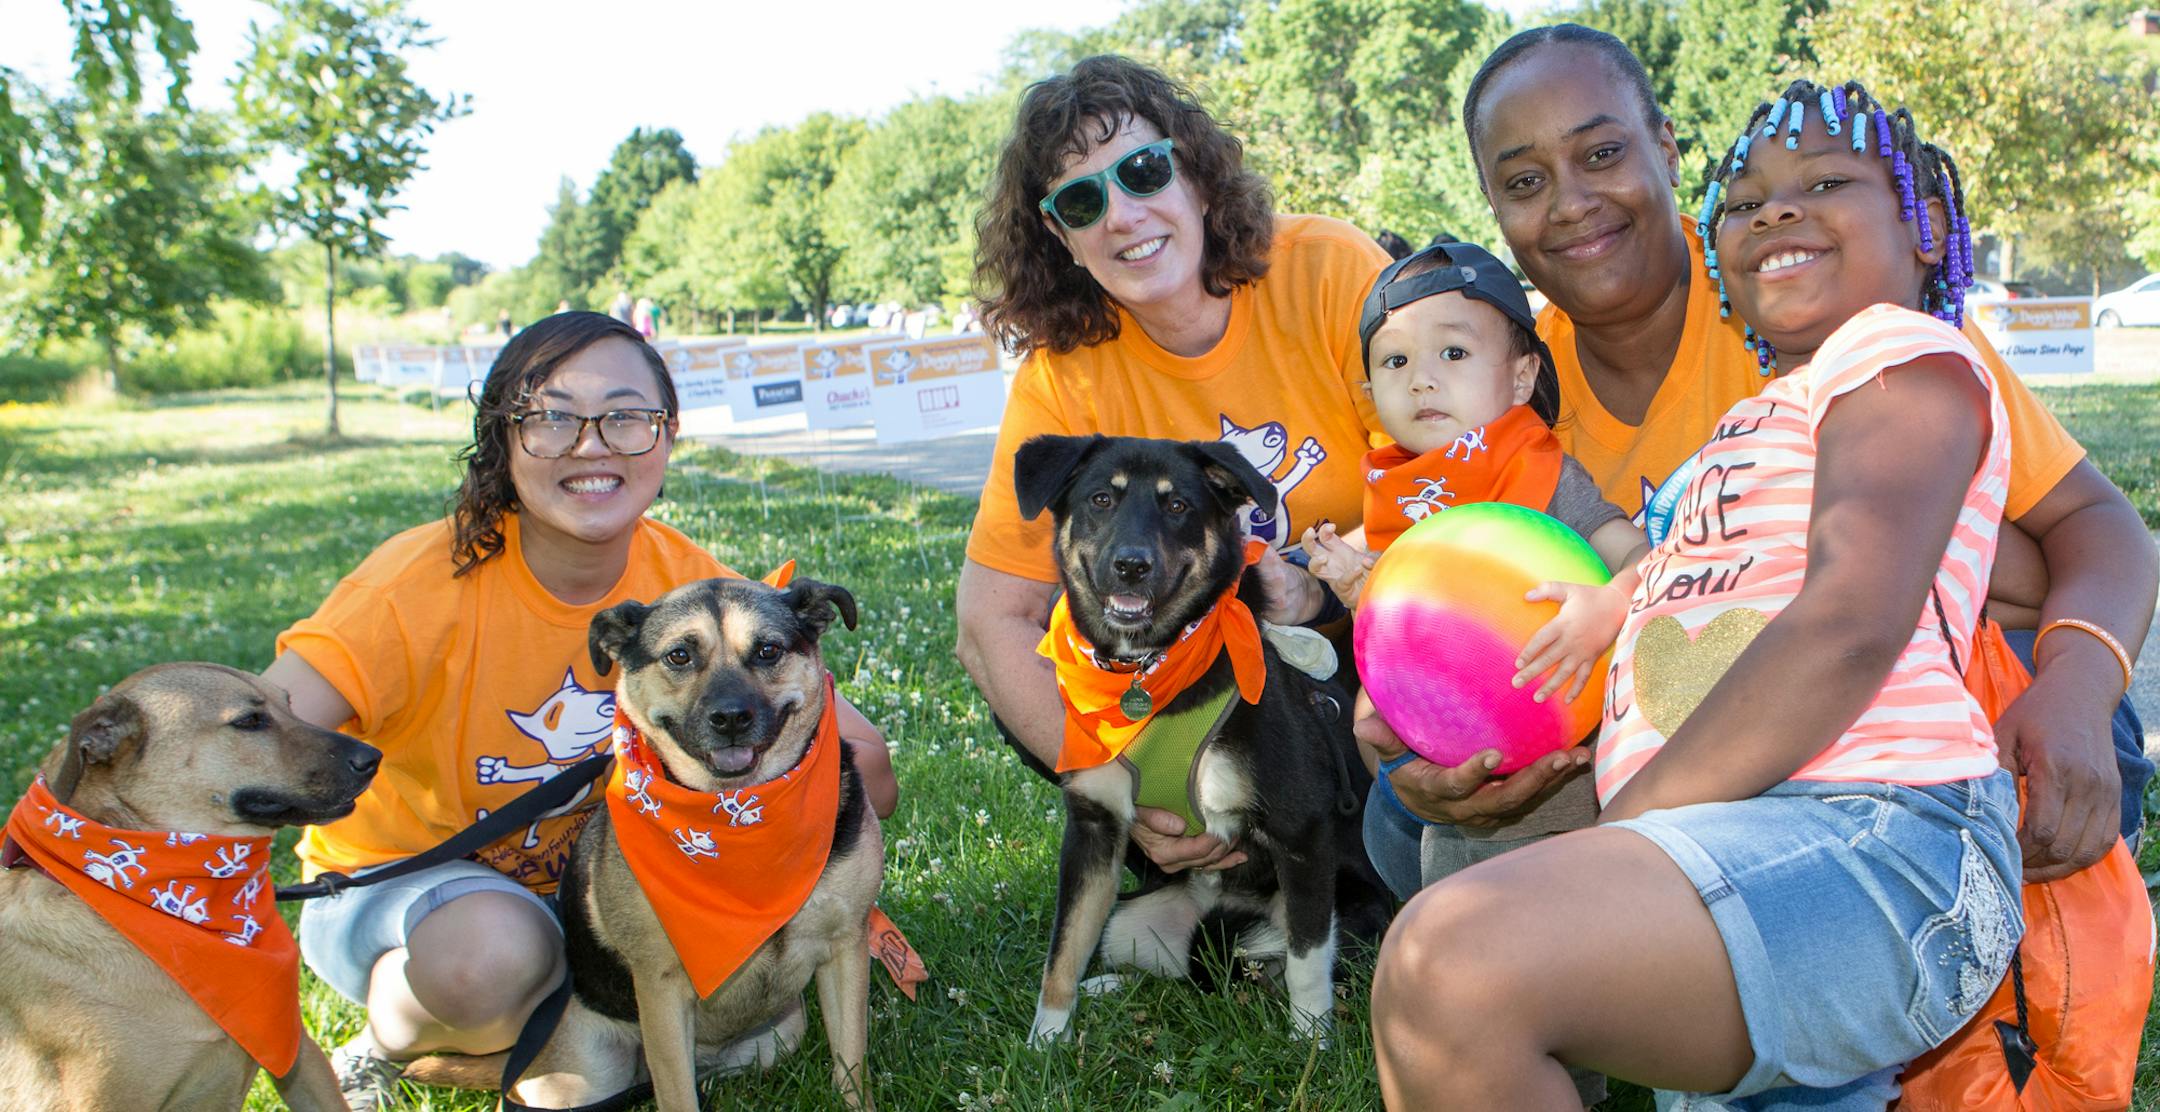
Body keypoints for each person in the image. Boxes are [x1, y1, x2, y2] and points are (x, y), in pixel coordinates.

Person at [1363, 24, 2155, 888]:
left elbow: (2096, 523)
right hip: (1677, 730)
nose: (1569, 202)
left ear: (1667, 151)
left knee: (2056, 750)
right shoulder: (1504, 397)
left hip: (1910, 720)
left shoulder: (1805, 295)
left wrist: (2076, 690)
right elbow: (1477, 639)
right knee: (1405, 820)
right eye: (1524, 181)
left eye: (1601, 153)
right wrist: (1431, 746)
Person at [1375, 76, 2028, 1110]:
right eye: (1744, 198)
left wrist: (1619, 833)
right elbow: (1674, 571)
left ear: (1930, 227)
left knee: (1450, 963)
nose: (1775, 208)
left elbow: (1849, 623)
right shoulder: (1754, 427)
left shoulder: (1899, 354)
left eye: (1825, 179)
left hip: (1879, 833)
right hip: (1739, 839)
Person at [261, 313, 899, 1108]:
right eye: (553, 416)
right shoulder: (410, 588)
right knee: (493, 959)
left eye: (626, 416)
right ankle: (383, 1041)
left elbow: (861, 765)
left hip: (597, 893)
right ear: (503, 438)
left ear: (665, 439)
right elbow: (257, 731)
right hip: (410, 887)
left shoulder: (690, 587)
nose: (592, 443)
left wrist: (810, 889)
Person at [956, 54, 1391, 876]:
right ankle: (1199, 846)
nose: (1122, 215)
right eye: (1082, 200)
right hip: (1197, 698)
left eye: (1144, 170)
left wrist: (1329, 584)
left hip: (1364, 651)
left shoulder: (1329, 272)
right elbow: (989, 624)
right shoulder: (1063, 375)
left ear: (1192, 170)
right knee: (1066, 668)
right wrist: (1124, 784)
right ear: (1061, 236)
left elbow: (1445, 496)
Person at [1292, 244, 1644, 902]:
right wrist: (1362, 586)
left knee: (1563, 925)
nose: (1421, 379)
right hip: (1447, 785)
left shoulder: (1539, 477)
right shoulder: (1398, 499)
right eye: (1396, 361)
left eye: (1452, 353)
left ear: (1519, 378)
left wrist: (1608, 605)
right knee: (1453, 920)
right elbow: (1425, 632)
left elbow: (1644, 559)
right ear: (1369, 394)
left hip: (1567, 792)